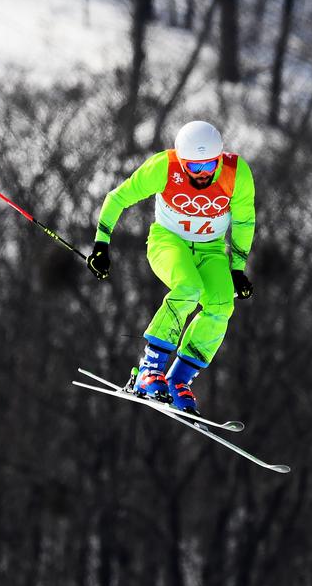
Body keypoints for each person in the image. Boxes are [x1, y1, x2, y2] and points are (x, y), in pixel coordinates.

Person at [86, 121, 255, 416]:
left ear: (219, 158)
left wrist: (237, 269)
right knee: (189, 288)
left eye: (209, 166)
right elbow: (118, 198)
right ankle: (149, 369)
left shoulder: (235, 173)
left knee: (221, 304)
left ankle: (178, 379)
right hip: (168, 242)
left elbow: (244, 221)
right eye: (194, 167)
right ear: (182, 161)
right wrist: (101, 245)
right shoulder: (164, 166)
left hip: (211, 249)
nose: (202, 174)